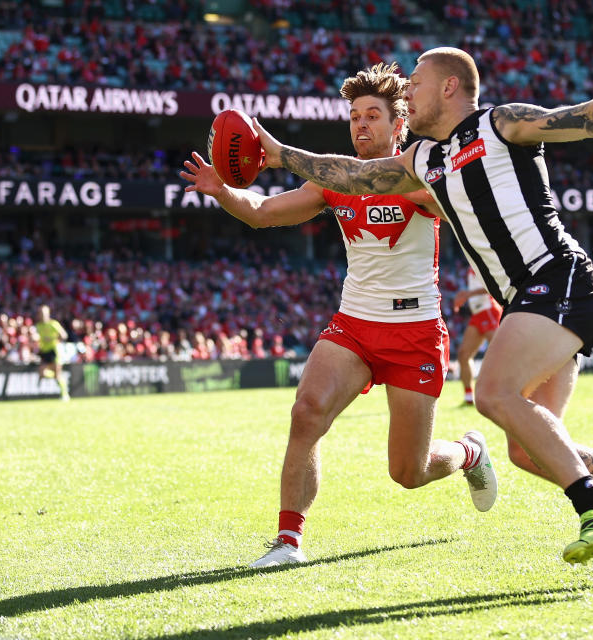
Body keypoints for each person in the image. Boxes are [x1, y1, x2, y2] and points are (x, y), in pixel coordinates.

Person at [251, 48, 593, 577]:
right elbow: (353, 176)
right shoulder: (422, 161)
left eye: (416, 83)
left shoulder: (499, 123)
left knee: (493, 393)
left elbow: (580, 119)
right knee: (532, 451)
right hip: (528, 299)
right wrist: (282, 155)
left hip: (558, 278)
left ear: (449, 88)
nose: (407, 93)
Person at [180, 62, 497, 568]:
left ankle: (469, 453)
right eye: (353, 116)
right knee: (306, 412)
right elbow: (263, 212)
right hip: (353, 324)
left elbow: (461, 204)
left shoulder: (419, 176)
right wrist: (223, 192)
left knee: (408, 472)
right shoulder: (336, 182)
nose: (360, 125)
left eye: (372, 115)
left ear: (399, 125)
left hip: (414, 331)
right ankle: (287, 541)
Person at [452, 266, 502, 405]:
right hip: (478, 314)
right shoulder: (471, 261)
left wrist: (468, 294)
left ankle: (514, 391)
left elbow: (495, 285)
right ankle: (469, 398)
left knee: (502, 352)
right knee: (463, 354)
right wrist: (466, 295)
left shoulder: (484, 258)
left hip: (488, 310)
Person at [35, 305, 70, 401]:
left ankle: (65, 394)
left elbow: (64, 335)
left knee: (58, 374)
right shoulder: (39, 326)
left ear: (48, 314)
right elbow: (36, 337)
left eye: (44, 313)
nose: (43, 315)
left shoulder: (53, 324)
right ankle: (58, 378)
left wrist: (52, 339)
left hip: (54, 351)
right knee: (42, 373)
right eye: (41, 313)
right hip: (44, 351)